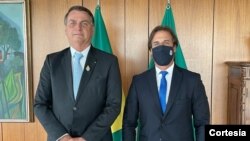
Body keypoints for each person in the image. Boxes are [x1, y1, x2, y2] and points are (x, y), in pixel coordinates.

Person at [34, 5, 122, 141]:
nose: (78, 28)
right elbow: (40, 104)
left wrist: (86, 138)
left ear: (92, 29)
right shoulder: (52, 61)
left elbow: (114, 105)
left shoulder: (109, 62)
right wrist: (63, 137)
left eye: (84, 23)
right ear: (66, 29)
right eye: (72, 23)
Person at [122, 25, 210, 141]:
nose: (161, 47)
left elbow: (202, 123)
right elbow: (129, 123)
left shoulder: (192, 81)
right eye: (156, 44)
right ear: (151, 51)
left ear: (174, 48)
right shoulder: (139, 82)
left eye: (166, 43)